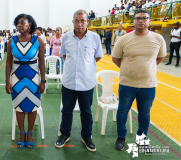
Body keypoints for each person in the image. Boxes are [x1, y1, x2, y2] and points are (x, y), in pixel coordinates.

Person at [112, 10, 166, 151]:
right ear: (134, 21)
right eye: (138, 18)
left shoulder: (158, 39)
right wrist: (128, 69)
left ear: (149, 21)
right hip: (127, 84)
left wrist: (146, 69)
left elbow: (159, 58)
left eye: (144, 18)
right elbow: (115, 58)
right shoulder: (124, 39)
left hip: (148, 85)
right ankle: (121, 137)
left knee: (144, 113)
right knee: (123, 111)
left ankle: (141, 139)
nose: (141, 21)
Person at [55, 9, 103, 152]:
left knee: (86, 112)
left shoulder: (95, 38)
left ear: (87, 21)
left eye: (83, 21)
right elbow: (64, 55)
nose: (80, 24)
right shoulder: (66, 37)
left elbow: (97, 57)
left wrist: (84, 66)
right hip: (69, 81)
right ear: (73, 22)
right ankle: (65, 134)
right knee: (67, 110)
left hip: (86, 82)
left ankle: (86, 137)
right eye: (77, 21)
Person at [5, 13, 45, 149]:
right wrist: (7, 81)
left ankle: (30, 133)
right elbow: (8, 62)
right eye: (18, 23)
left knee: (33, 107)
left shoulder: (38, 40)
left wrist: (43, 81)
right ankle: (21, 133)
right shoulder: (12, 41)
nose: (19, 25)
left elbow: (41, 62)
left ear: (30, 25)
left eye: (23, 22)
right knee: (19, 106)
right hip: (17, 78)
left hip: (34, 78)